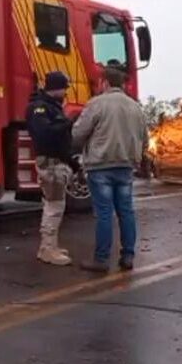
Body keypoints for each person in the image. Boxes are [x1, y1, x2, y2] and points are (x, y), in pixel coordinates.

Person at [72, 67, 148, 272]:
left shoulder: (96, 104)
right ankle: (128, 257)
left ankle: (101, 259)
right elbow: (145, 139)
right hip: (125, 166)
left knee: (104, 213)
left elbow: (78, 133)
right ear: (122, 84)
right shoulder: (135, 107)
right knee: (126, 211)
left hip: (100, 166)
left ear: (104, 83)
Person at [26, 71, 78, 266]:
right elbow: (44, 134)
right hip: (51, 164)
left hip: (56, 162)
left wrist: (72, 163)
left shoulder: (50, 107)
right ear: (56, 88)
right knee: (54, 207)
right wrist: (67, 123)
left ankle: (50, 246)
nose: (66, 92)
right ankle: (48, 250)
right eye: (64, 88)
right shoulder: (39, 108)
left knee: (54, 205)